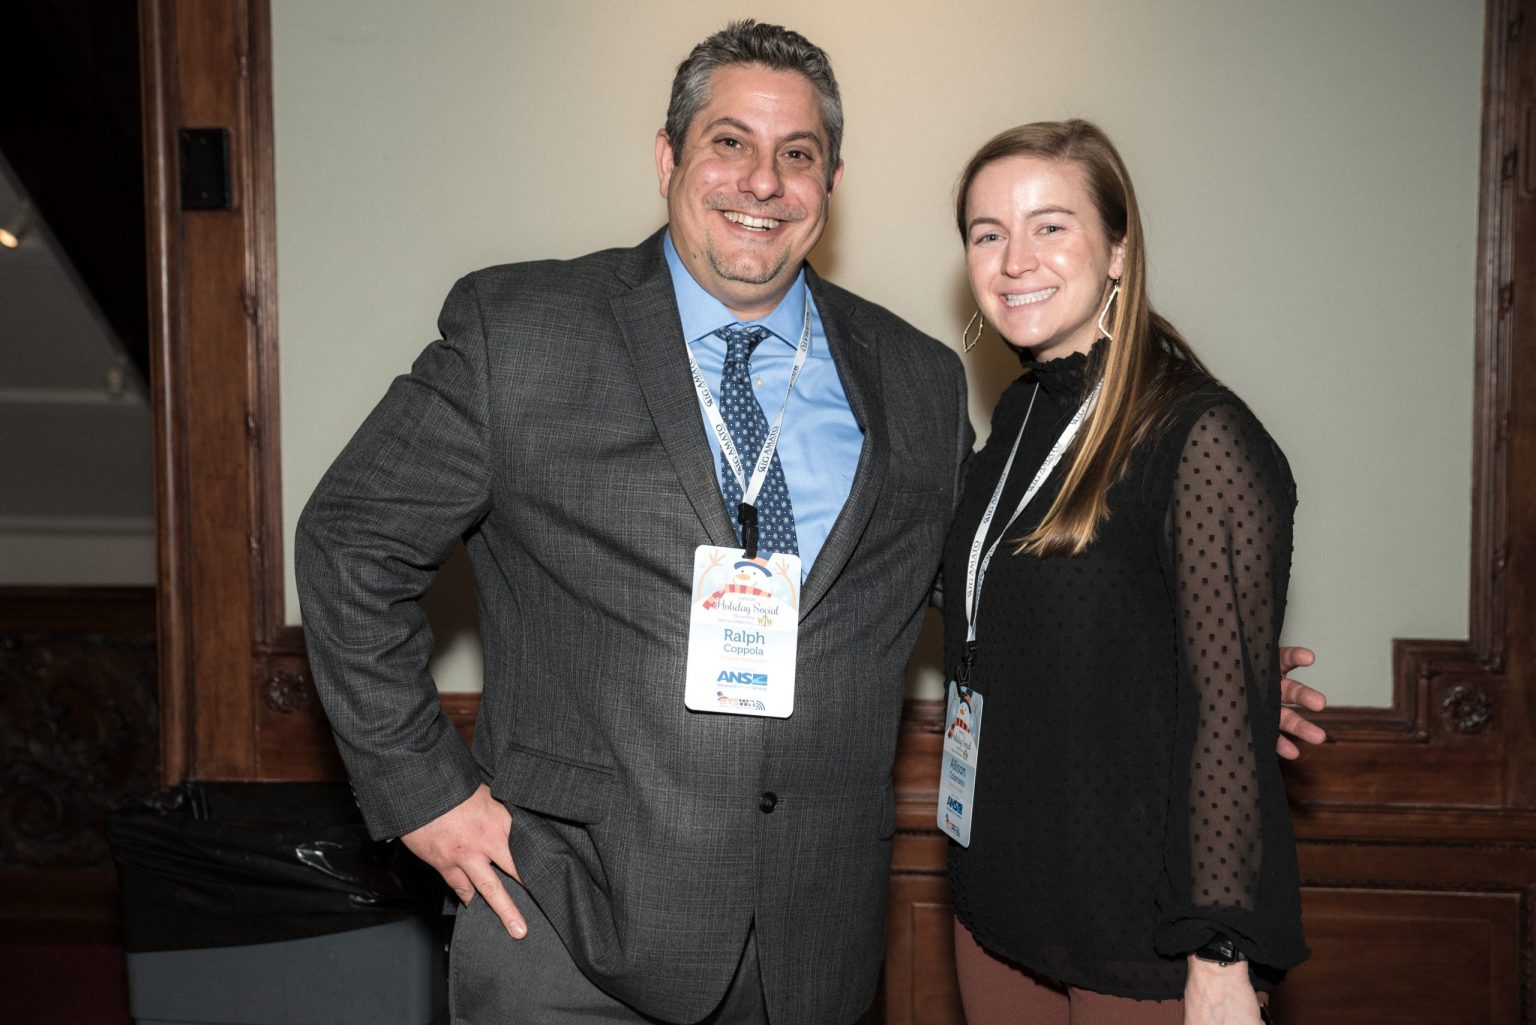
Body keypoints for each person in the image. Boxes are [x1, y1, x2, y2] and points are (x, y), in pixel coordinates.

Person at [296, 24, 1325, 1024]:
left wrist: (1194, 680)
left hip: (812, 950)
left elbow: (993, 590)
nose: (762, 181)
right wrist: (423, 791)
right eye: (729, 142)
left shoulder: (916, 380)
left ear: (830, 184)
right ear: (668, 158)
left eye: (797, 154)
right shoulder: (523, 333)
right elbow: (348, 544)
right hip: (567, 929)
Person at [941, 119, 1308, 1025]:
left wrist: (1221, 953)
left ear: (1117, 250)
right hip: (997, 893)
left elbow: (1224, 719)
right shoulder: (1017, 419)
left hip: (1143, 925)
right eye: (988, 233)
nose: (1015, 259)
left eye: (1050, 225)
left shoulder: (1197, 432)